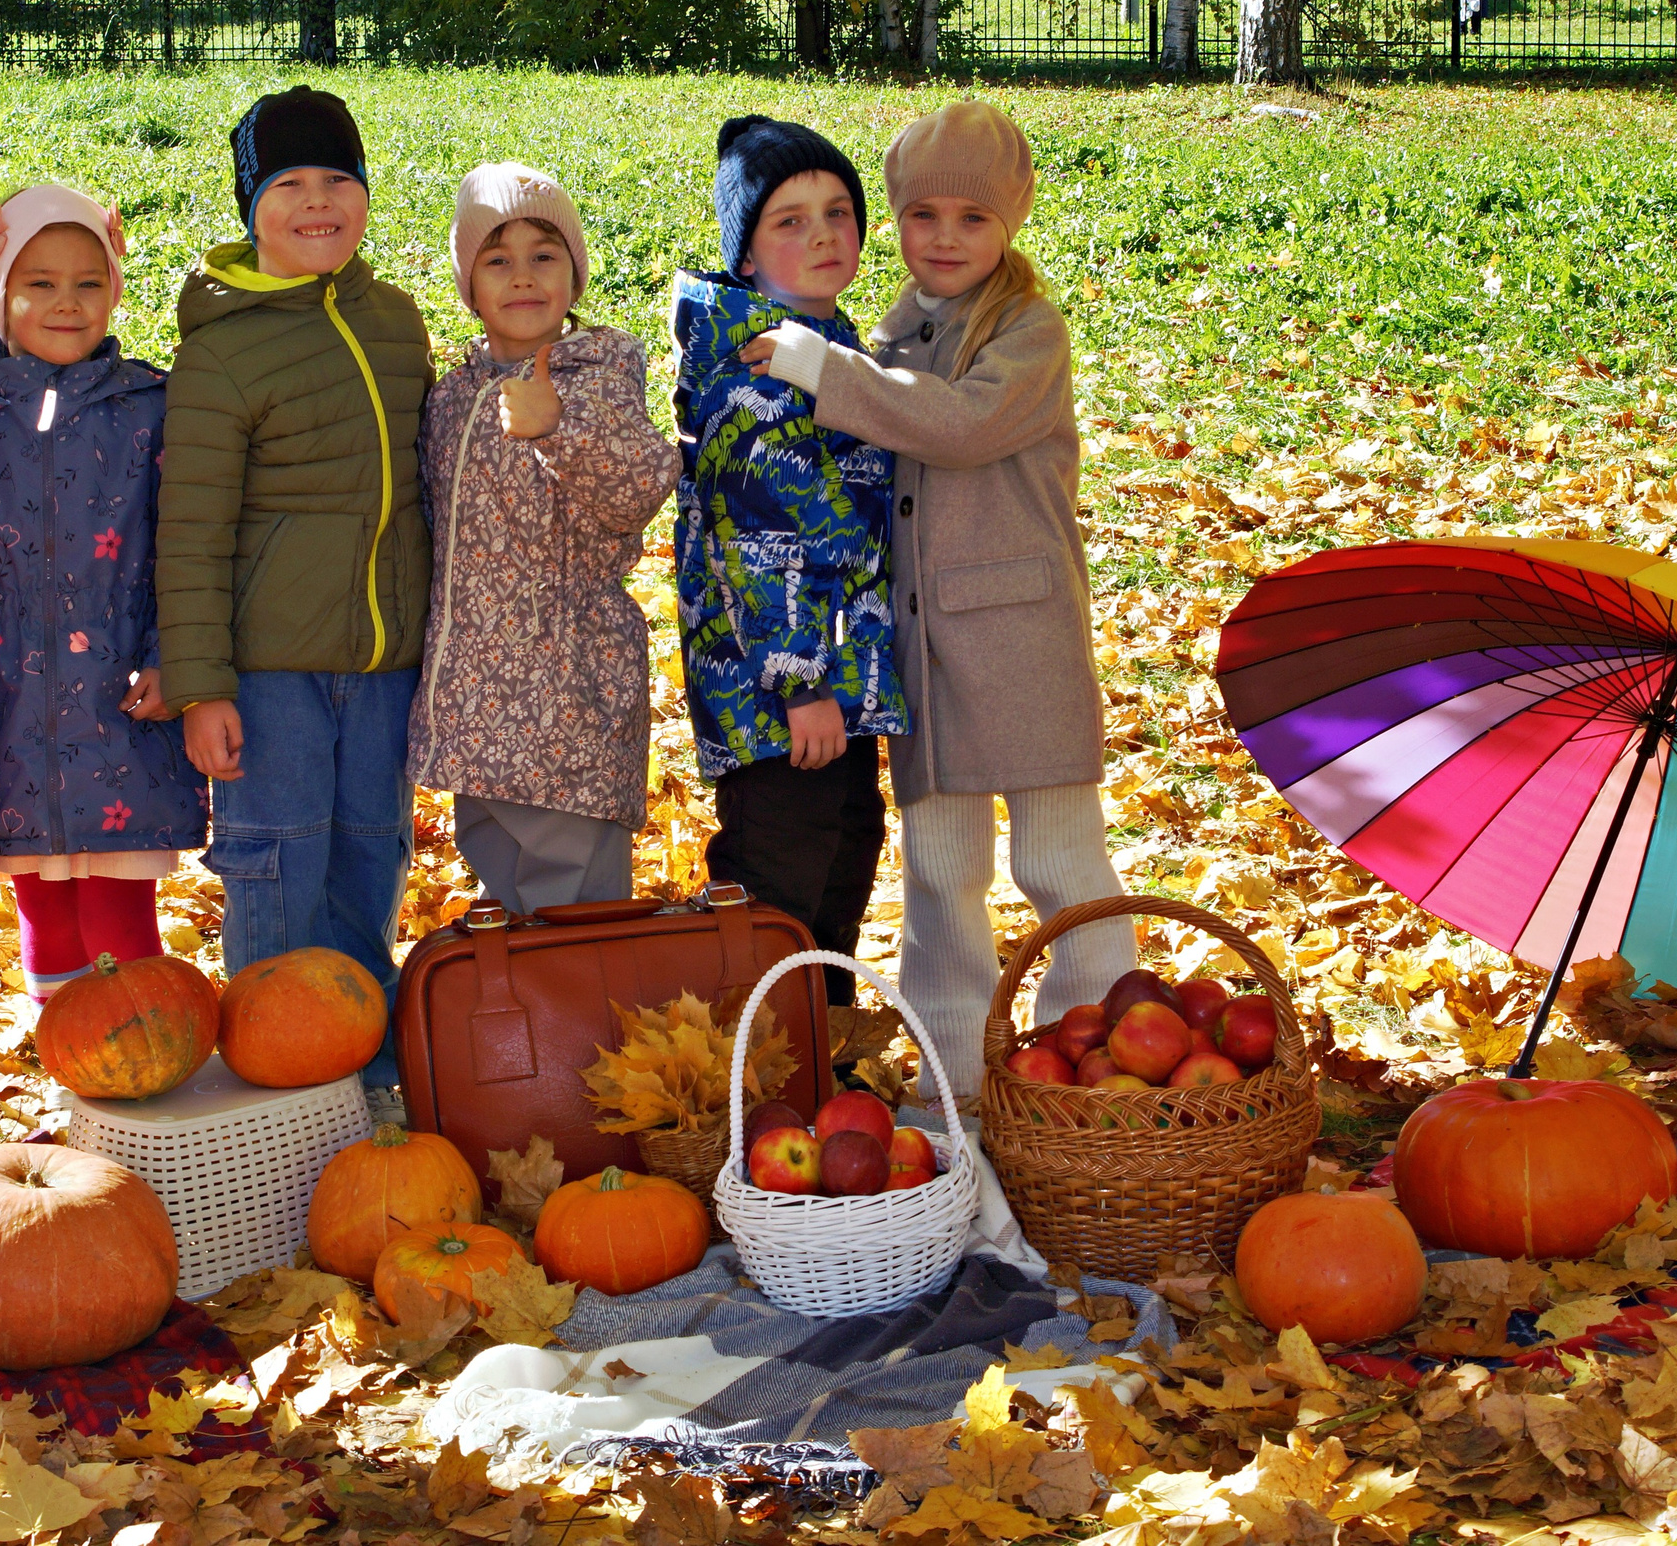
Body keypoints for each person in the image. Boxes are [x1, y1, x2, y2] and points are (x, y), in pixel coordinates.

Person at [740, 99, 1136, 1106]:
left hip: (1019, 639)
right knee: (941, 874)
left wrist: (825, 369)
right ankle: (955, 1070)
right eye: (924, 216)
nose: (946, 238)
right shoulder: (900, 330)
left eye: (972, 217)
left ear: (1010, 223)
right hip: (921, 649)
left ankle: (1091, 1052)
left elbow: (956, 427)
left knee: (1060, 861)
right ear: (898, 223)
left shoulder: (1027, 334)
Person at [156, 87, 432, 1109]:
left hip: (384, 668)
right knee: (277, 871)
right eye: (289, 185)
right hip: (268, 676)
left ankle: (372, 1077)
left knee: (371, 861)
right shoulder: (222, 349)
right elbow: (189, 533)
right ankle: (282, 1088)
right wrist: (201, 686)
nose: (317, 203)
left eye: (338, 182)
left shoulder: (396, 324)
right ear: (250, 204)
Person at [0, 186, 208, 1013]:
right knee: (42, 901)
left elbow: (179, 546)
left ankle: (146, 1068)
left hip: (120, 703)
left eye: (89, 281)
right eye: (39, 282)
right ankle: (73, 1073)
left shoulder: (148, 406)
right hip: (3, 699)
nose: (65, 302)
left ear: (116, 290)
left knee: (120, 905)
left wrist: (171, 655)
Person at [673, 116, 908, 1003]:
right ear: (745, 256)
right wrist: (801, 680)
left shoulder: (830, 348)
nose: (821, 234)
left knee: (845, 854)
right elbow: (760, 542)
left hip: (839, 680)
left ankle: (818, 1048)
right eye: (790, 219)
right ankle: (746, 1063)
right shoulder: (758, 373)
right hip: (778, 693)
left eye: (838, 212)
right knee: (780, 881)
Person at [410, 164, 679, 913]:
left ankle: (579, 1033)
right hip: (478, 721)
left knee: (574, 919)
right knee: (512, 906)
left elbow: (638, 485)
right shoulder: (453, 396)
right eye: (497, 259)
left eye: (545, 254)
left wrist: (557, 426)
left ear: (576, 271)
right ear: (469, 282)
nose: (523, 276)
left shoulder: (596, 375)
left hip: (569, 707)